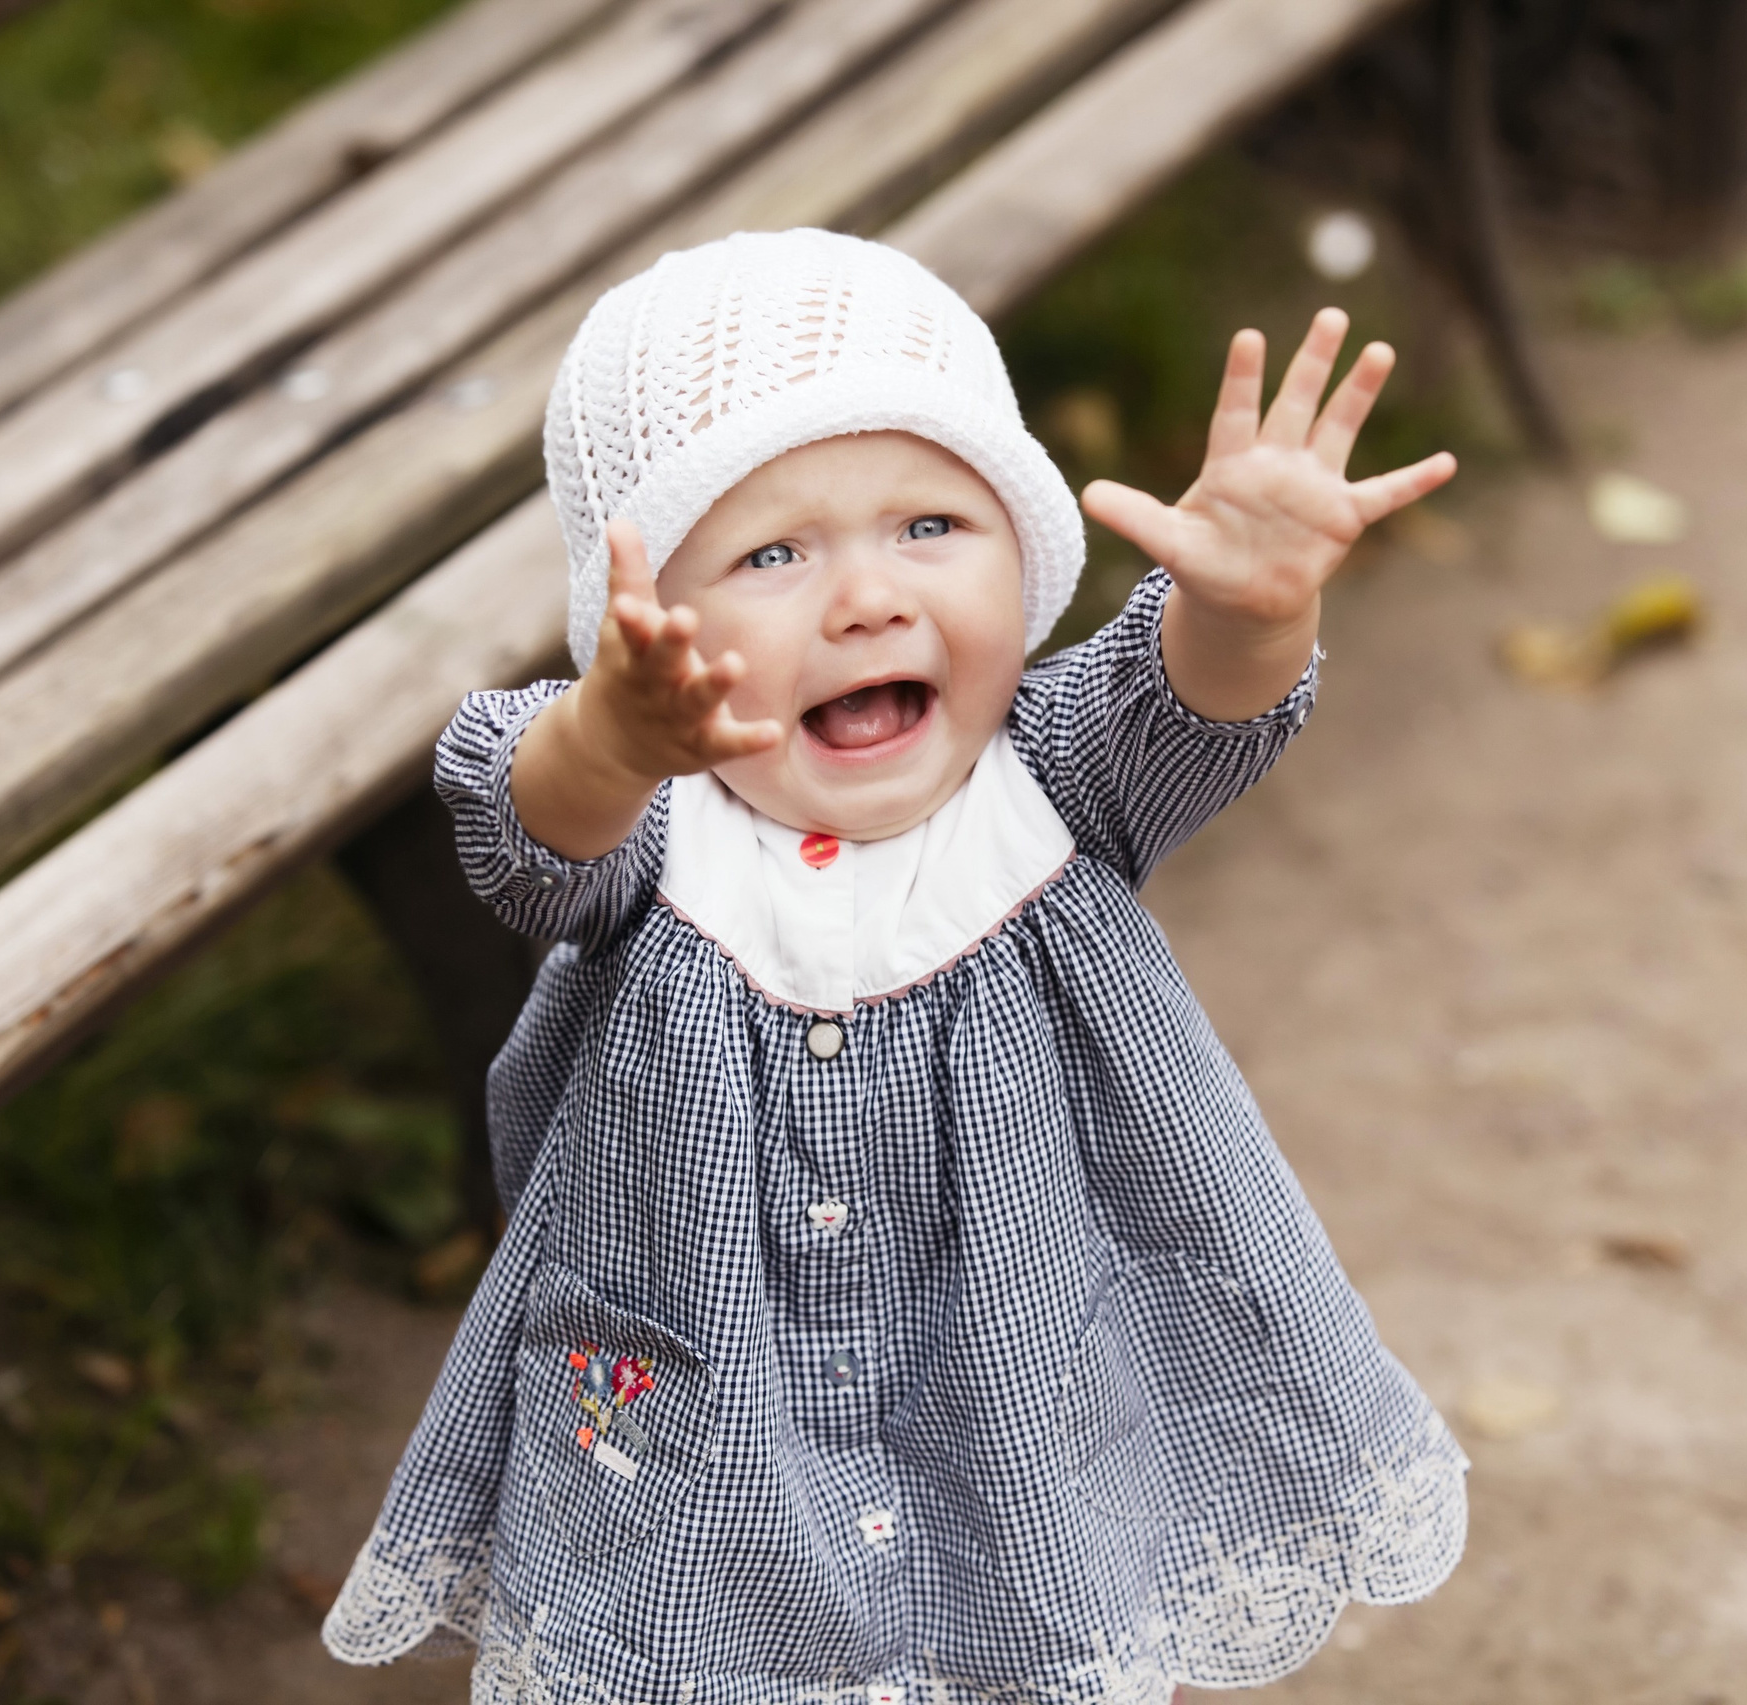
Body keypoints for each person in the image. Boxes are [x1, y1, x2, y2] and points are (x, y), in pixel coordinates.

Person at [321, 228, 1467, 1705]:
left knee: (1046, 1620)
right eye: (772, 553)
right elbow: (534, 840)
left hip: (1027, 1371)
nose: (865, 599)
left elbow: (1204, 702)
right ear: (646, 628)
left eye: (930, 525)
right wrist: (610, 738)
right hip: (716, 1401)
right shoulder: (659, 836)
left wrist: (1250, 606)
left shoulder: (1061, 777)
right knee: (705, 1648)